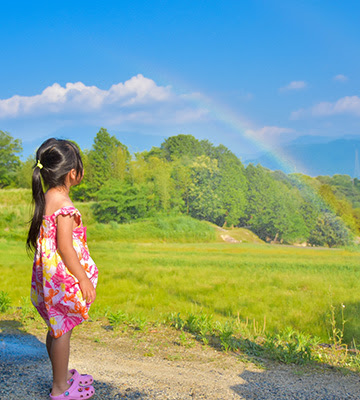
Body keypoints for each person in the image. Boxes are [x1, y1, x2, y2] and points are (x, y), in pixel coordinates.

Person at [27, 138, 98, 400]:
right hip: (61, 278)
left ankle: (61, 373)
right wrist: (84, 280)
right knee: (62, 330)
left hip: (47, 278)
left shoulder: (47, 198)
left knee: (55, 326)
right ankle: (59, 387)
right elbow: (66, 248)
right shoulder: (65, 207)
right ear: (72, 173)